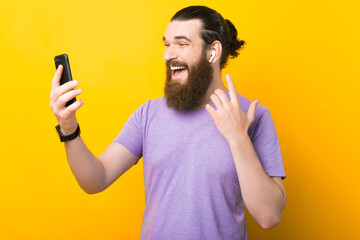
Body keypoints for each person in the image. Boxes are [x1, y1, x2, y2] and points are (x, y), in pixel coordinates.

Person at [50, 5, 286, 240]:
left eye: (181, 44)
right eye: (166, 44)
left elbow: (270, 216)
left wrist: (238, 138)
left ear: (212, 52)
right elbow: (96, 179)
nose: (168, 55)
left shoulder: (254, 116)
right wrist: (68, 129)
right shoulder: (148, 114)